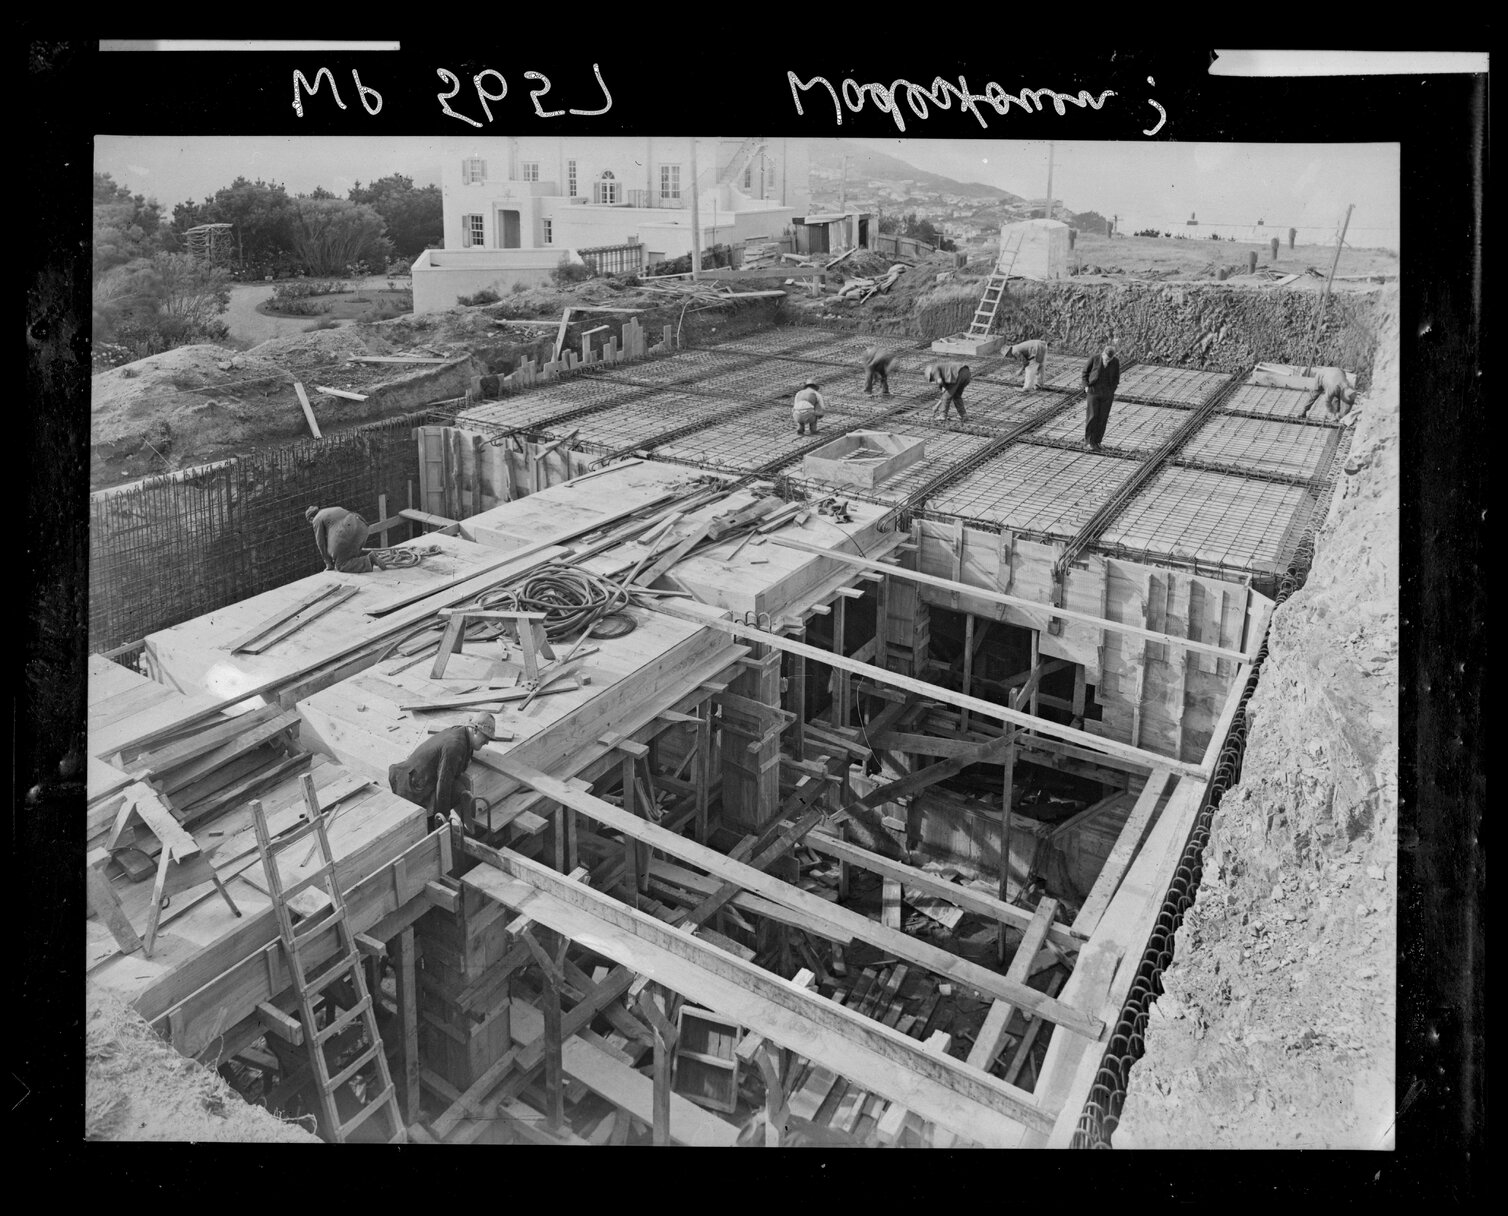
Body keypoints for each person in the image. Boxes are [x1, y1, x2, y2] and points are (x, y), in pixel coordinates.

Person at [387, 712, 495, 832]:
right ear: (475, 731)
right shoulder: (455, 745)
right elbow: (444, 783)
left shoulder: (462, 733)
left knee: (460, 789)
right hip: (412, 787)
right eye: (485, 737)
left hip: (422, 777)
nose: (487, 742)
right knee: (427, 829)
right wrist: (443, 820)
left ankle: (466, 828)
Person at [307, 505, 376, 573]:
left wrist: (328, 563)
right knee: (351, 552)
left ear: (311, 518)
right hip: (363, 525)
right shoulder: (333, 509)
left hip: (347, 528)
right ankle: (373, 554)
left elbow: (321, 543)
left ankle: (369, 560)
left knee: (341, 565)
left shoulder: (316, 519)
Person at [1081, 343, 1121, 451]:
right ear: (1103, 354)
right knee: (1092, 417)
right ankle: (1088, 442)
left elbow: (1116, 378)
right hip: (1093, 391)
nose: (1107, 361)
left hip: (1107, 394)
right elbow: (1085, 372)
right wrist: (1086, 386)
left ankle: (1097, 442)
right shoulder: (1094, 358)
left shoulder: (1115, 362)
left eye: (1110, 360)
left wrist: (1111, 391)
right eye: (1106, 359)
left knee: (1102, 418)